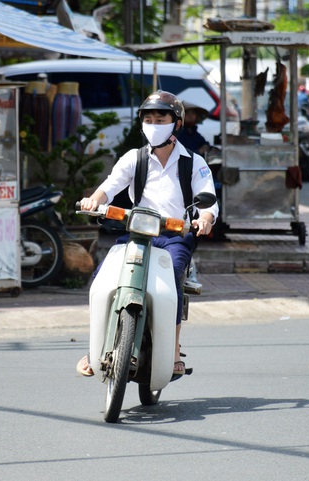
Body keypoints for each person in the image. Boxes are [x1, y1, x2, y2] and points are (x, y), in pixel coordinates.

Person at [75, 91, 219, 377]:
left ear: (176, 123)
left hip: (175, 235)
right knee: (104, 275)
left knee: (175, 278)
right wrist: (95, 200)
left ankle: (174, 350)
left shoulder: (194, 162)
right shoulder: (134, 158)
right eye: (148, 119)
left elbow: (210, 201)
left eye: (161, 118)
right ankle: (95, 346)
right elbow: (111, 184)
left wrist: (204, 218)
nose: (154, 123)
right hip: (138, 232)